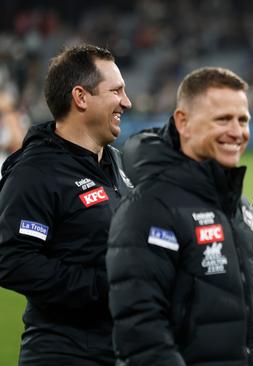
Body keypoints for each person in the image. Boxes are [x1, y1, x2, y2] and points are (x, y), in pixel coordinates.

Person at [106, 67, 253, 366]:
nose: (237, 131)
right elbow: (141, 332)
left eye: (243, 120)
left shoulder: (240, 209)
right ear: (184, 122)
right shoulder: (149, 207)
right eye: (223, 119)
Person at [0, 44, 132, 365]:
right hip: (66, 353)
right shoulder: (36, 171)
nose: (127, 102)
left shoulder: (117, 162)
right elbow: (12, 259)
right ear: (81, 97)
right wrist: (105, 287)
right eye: (116, 91)